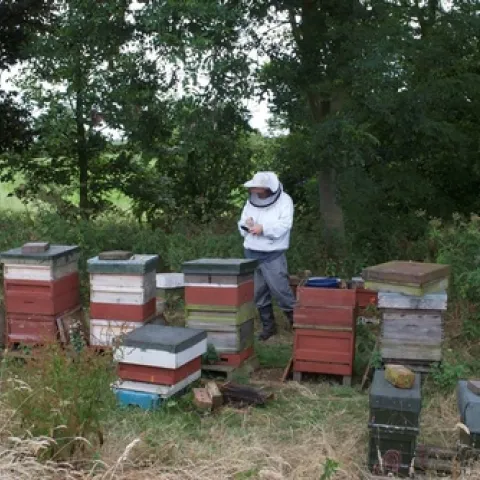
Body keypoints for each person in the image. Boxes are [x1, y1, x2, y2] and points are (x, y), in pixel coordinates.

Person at [238, 171, 296, 341]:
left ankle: (298, 326)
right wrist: (246, 225)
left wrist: (263, 228)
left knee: (281, 291)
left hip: (273, 253)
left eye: (258, 188)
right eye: (254, 188)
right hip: (252, 253)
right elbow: (242, 220)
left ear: (268, 188)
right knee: (258, 293)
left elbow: (285, 224)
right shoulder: (251, 201)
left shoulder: (285, 200)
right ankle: (268, 328)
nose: (255, 190)